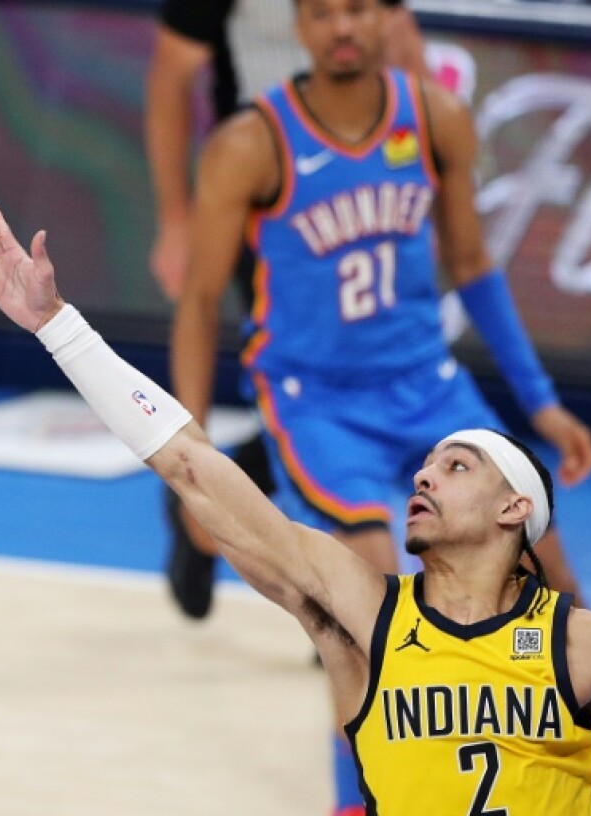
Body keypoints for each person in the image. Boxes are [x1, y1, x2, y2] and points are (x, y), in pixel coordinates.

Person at [0, 201, 591, 815]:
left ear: (512, 508)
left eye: (457, 466)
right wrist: (60, 327)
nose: (425, 476)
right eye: (427, 464)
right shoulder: (365, 614)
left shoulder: (580, 642)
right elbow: (192, 466)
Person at [144, 0, 428, 620]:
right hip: (269, 198)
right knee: (309, 381)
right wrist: (174, 218)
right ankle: (212, 504)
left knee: (345, 385)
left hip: (362, 190)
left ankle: (339, 571)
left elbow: (402, 42)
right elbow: (171, 77)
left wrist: (420, 169)